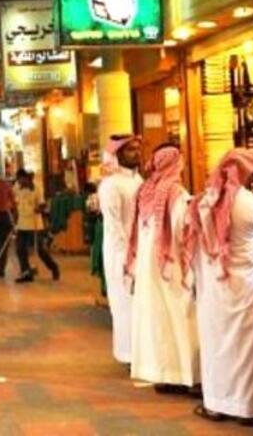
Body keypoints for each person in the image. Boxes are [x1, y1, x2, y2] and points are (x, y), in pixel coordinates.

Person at [185, 149, 253, 426]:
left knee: (219, 347)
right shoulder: (249, 202)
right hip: (246, 288)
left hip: (214, 293)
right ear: (246, 175)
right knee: (252, 349)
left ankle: (219, 404)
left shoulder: (203, 201)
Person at [125, 144, 199, 392]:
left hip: (149, 265)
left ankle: (164, 374)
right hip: (170, 263)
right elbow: (181, 227)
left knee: (157, 319)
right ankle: (184, 376)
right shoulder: (175, 191)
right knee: (180, 316)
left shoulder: (146, 189)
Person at [98, 134, 143, 364]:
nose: (136, 153)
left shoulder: (138, 180)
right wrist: (127, 255)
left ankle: (141, 355)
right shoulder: (111, 185)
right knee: (124, 303)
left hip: (139, 252)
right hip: (121, 253)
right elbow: (115, 225)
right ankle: (128, 355)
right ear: (117, 155)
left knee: (139, 305)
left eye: (137, 149)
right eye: (129, 150)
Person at [14, 169, 60, 283]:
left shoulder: (37, 188)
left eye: (20, 180)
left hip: (34, 225)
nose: (19, 182)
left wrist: (38, 209)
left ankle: (54, 267)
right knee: (20, 249)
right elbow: (15, 203)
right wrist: (14, 218)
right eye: (18, 180)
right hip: (21, 224)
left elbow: (43, 205)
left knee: (39, 250)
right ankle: (26, 272)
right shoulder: (16, 188)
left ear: (25, 178)